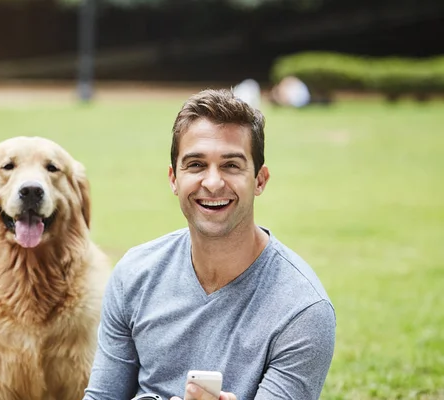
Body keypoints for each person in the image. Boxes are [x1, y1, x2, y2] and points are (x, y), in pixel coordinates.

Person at [83, 89, 336, 400]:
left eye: (231, 165)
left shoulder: (302, 310)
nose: (213, 183)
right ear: (173, 178)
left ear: (259, 180)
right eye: (196, 165)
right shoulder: (134, 276)